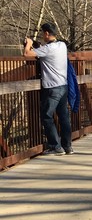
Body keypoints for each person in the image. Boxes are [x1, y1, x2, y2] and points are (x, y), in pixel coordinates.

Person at [23, 23, 74, 155]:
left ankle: (55, 147)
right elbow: (44, 50)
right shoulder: (62, 45)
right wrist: (35, 43)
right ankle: (67, 146)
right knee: (63, 117)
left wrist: (28, 43)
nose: (42, 35)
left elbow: (27, 54)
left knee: (46, 116)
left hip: (51, 88)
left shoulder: (47, 49)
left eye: (42, 33)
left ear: (46, 33)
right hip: (63, 86)